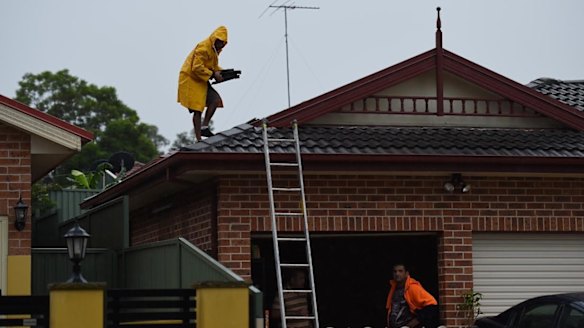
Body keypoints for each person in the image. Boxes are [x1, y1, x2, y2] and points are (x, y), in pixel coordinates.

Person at [177, 26, 228, 142]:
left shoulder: (215, 51)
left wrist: (224, 73)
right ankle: (198, 138)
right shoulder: (204, 48)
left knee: (215, 100)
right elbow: (196, 67)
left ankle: (204, 127)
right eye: (219, 42)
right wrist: (213, 74)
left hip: (201, 79)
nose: (220, 45)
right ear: (214, 39)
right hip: (190, 79)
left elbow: (212, 67)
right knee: (197, 108)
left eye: (222, 43)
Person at [386, 263, 441, 328]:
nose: (397, 274)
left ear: (407, 273)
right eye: (395, 271)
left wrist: (414, 322)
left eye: (400, 271)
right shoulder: (392, 288)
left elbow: (432, 305)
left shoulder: (413, 287)